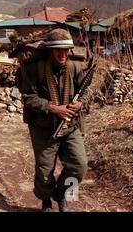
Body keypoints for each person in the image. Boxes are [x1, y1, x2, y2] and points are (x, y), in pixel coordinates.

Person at [20, 28, 89, 212]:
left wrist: (80, 104)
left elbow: (85, 92)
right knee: (44, 173)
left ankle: (62, 193)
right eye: (59, 50)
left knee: (79, 165)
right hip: (43, 128)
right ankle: (46, 201)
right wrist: (53, 108)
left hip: (70, 126)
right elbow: (28, 97)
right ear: (50, 50)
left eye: (66, 50)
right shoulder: (36, 70)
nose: (63, 54)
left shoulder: (75, 67)